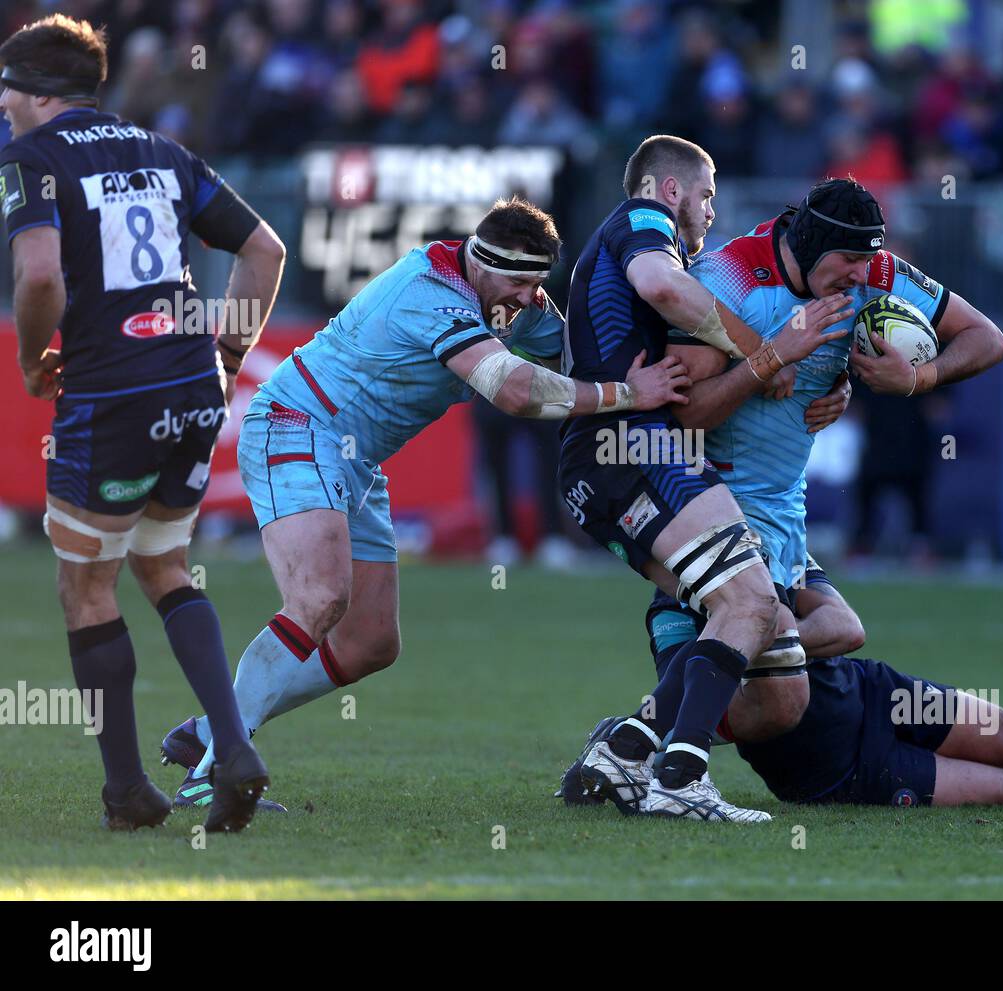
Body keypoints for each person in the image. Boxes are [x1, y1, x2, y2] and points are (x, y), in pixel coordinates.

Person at [159, 198, 689, 810]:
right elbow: (515, 391)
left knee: (370, 643)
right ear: (480, 262)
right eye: (516, 283)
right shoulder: (428, 290)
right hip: (297, 425)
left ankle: (207, 729)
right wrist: (627, 394)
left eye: (535, 284)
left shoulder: (516, 301)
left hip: (353, 455)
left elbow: (571, 353)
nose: (525, 299)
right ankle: (217, 766)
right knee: (319, 598)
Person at [0, 14, 286, 832]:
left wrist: (29, 360)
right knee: (165, 565)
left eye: (6, 86)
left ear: (39, 92)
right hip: (193, 385)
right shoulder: (162, 149)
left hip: (111, 393)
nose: (0, 102)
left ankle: (127, 790)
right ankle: (232, 744)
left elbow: (41, 277)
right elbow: (264, 250)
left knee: (85, 584)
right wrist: (228, 350)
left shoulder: (29, 159)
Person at [560, 135, 846, 822]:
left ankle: (625, 751)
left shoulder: (638, 259)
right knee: (752, 603)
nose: (712, 208)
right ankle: (681, 777)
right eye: (707, 192)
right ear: (670, 190)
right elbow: (662, 287)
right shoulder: (641, 221)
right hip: (634, 450)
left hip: (597, 468)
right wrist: (766, 352)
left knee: (751, 611)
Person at [559, 585, 1003, 810]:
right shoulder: (670, 615)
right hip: (838, 773)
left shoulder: (765, 549)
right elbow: (709, 708)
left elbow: (849, 626)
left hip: (878, 695)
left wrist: (759, 631)